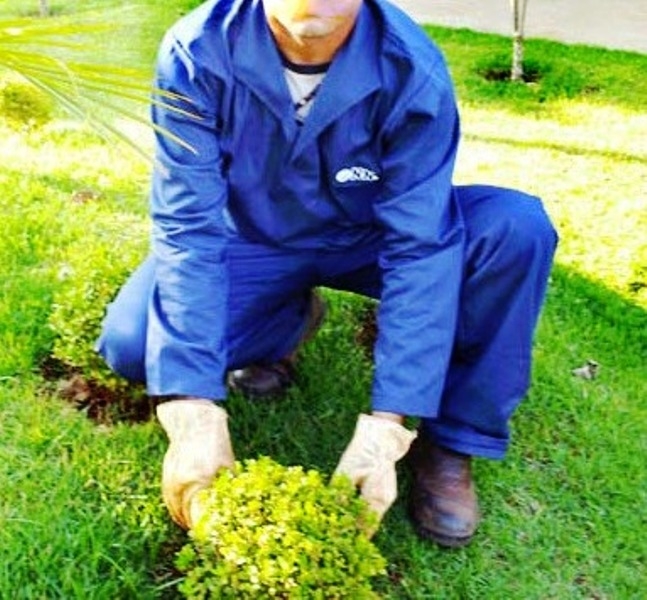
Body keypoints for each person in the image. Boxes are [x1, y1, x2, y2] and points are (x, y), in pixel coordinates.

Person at [97, 0, 557, 548]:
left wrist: (391, 422)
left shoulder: (412, 68)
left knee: (514, 230)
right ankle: (288, 322)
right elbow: (188, 227)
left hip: (370, 236)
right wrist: (192, 406)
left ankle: (452, 442)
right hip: (256, 236)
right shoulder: (196, 51)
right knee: (133, 345)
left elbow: (418, 246)